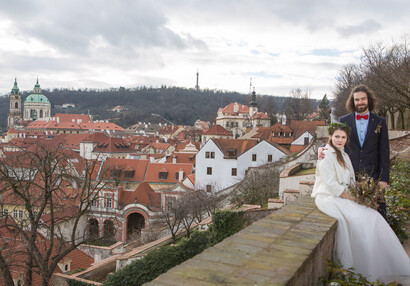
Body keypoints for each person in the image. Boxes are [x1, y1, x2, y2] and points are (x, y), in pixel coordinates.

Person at [312, 123, 410, 283]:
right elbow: (331, 184)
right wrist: (354, 199)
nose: (340, 140)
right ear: (330, 136)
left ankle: (385, 266)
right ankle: (364, 269)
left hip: (343, 196)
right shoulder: (325, 155)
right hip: (328, 197)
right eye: (336, 136)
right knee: (362, 220)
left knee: (375, 217)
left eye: (343, 137)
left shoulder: (343, 155)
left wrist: (362, 194)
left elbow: (351, 181)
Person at [319, 85, 389, 218]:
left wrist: (384, 179)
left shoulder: (380, 122)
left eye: (363, 99)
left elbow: (384, 151)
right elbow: (337, 140)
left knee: (379, 215)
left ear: (369, 100)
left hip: (374, 178)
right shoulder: (344, 120)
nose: (360, 102)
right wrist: (322, 148)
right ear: (352, 101)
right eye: (357, 100)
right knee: (354, 217)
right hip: (350, 176)